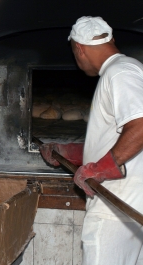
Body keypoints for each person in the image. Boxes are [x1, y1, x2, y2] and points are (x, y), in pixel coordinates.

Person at [39, 16, 143, 264]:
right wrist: (71, 152)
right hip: (130, 207)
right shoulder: (130, 68)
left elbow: (140, 126)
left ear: (79, 48)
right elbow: (119, 137)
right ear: (111, 40)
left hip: (116, 210)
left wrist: (100, 169)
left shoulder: (119, 73)